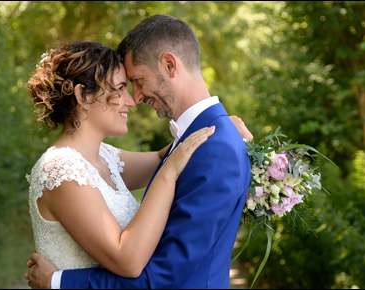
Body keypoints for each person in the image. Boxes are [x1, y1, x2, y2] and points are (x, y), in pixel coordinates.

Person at [25, 14, 252, 289]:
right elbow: (130, 259)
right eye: (120, 88)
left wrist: (219, 126)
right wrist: (56, 282)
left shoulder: (107, 158)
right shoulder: (61, 169)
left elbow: (165, 156)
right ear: (83, 96)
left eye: (132, 84)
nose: (133, 99)